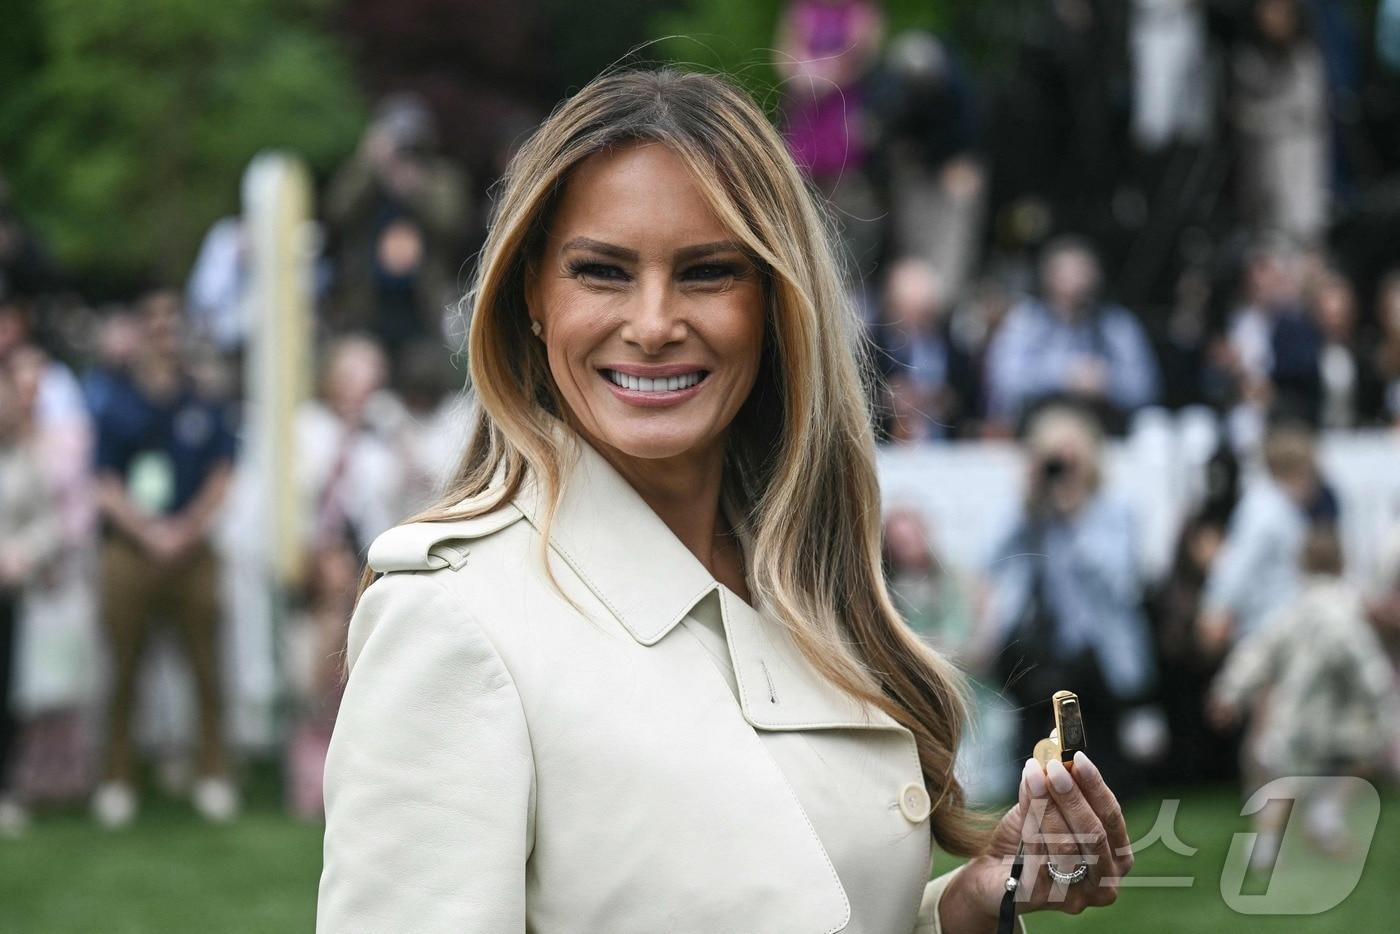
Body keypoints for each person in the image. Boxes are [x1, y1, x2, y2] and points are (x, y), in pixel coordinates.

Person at [318, 68, 1134, 933]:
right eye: (602, 271)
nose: (654, 321)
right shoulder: (450, 619)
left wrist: (967, 906)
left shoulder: (807, 582)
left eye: (708, 272)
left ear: (776, 302)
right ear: (532, 298)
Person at [89, 290, 239, 828]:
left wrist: (185, 530)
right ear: (140, 332)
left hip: (193, 549)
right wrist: (149, 533)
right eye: (153, 321)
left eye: (172, 321)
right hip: (130, 550)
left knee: (206, 667)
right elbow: (103, 482)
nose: (163, 331)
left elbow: (223, 473)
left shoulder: (205, 400)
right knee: (123, 668)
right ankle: (117, 778)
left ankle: (213, 772)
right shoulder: (114, 400)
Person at [982, 404, 1156, 796]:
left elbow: (1122, 584)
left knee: (1105, 770)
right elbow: (990, 559)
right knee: (1038, 758)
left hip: (1102, 651)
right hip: (1043, 651)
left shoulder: (1116, 509)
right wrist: (1026, 502)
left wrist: (1076, 517)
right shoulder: (1033, 513)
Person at [1208, 524, 1399, 870]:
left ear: (1302, 566)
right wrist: (1383, 698)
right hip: (1336, 721)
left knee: (1285, 782)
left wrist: (1229, 692)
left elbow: (1259, 651)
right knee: (1363, 754)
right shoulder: (1347, 611)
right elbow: (1363, 659)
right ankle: (1324, 815)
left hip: (1293, 716)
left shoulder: (1290, 610)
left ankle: (1268, 845)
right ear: (1342, 564)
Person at [984, 236, 1160, 433]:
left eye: (1082, 271)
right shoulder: (1025, 321)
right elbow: (1003, 382)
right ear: (1048, 276)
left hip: (1104, 439)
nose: (1077, 281)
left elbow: (1146, 389)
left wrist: (1107, 383)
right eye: (1067, 272)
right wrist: (1063, 375)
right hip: (1036, 438)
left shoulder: (1118, 325)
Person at [0, 361, 62, 836]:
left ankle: (7, 790)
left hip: (9, 595)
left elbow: (49, 524)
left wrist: (22, 553)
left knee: (7, 694)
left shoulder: (27, 458)